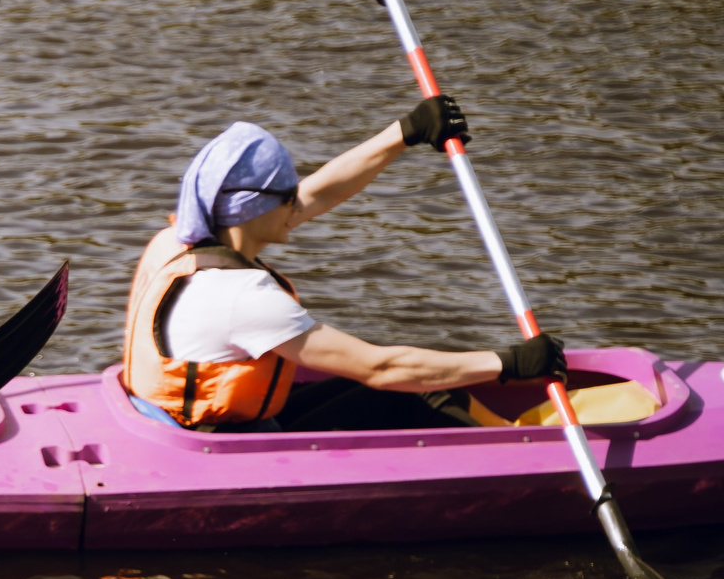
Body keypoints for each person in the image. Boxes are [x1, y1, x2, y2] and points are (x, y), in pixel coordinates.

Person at [122, 97, 564, 432]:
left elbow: (320, 191)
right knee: (414, 390)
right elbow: (381, 367)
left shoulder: (175, 242)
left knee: (388, 384)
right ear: (252, 208)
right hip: (221, 447)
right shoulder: (243, 297)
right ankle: (525, 447)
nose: (298, 203)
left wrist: (406, 131)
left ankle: (505, 433)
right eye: (287, 195)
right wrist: (509, 363)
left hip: (182, 423)